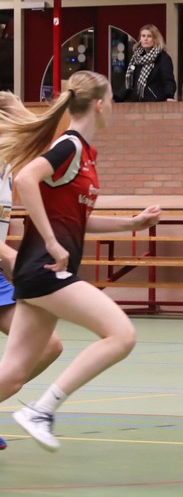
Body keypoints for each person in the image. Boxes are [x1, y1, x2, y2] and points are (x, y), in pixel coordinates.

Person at [0, 71, 162, 452]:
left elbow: (76, 218)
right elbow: (25, 180)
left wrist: (133, 224)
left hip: (38, 272)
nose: (115, 107)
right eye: (113, 100)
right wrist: (51, 242)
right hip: (47, 270)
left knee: (13, 374)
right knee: (121, 335)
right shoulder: (70, 146)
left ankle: (38, 411)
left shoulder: (86, 154)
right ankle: (42, 411)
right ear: (99, 104)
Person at [0, 94, 64, 452]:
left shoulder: (9, 170)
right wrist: (19, 262)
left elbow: (51, 145)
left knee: (48, 346)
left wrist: (16, 106)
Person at [115, 25, 176, 102]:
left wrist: (169, 96)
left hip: (155, 102)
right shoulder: (136, 58)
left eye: (149, 36)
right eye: (143, 36)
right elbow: (129, 83)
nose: (145, 39)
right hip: (136, 103)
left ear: (155, 39)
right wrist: (116, 98)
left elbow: (168, 81)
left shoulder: (163, 58)